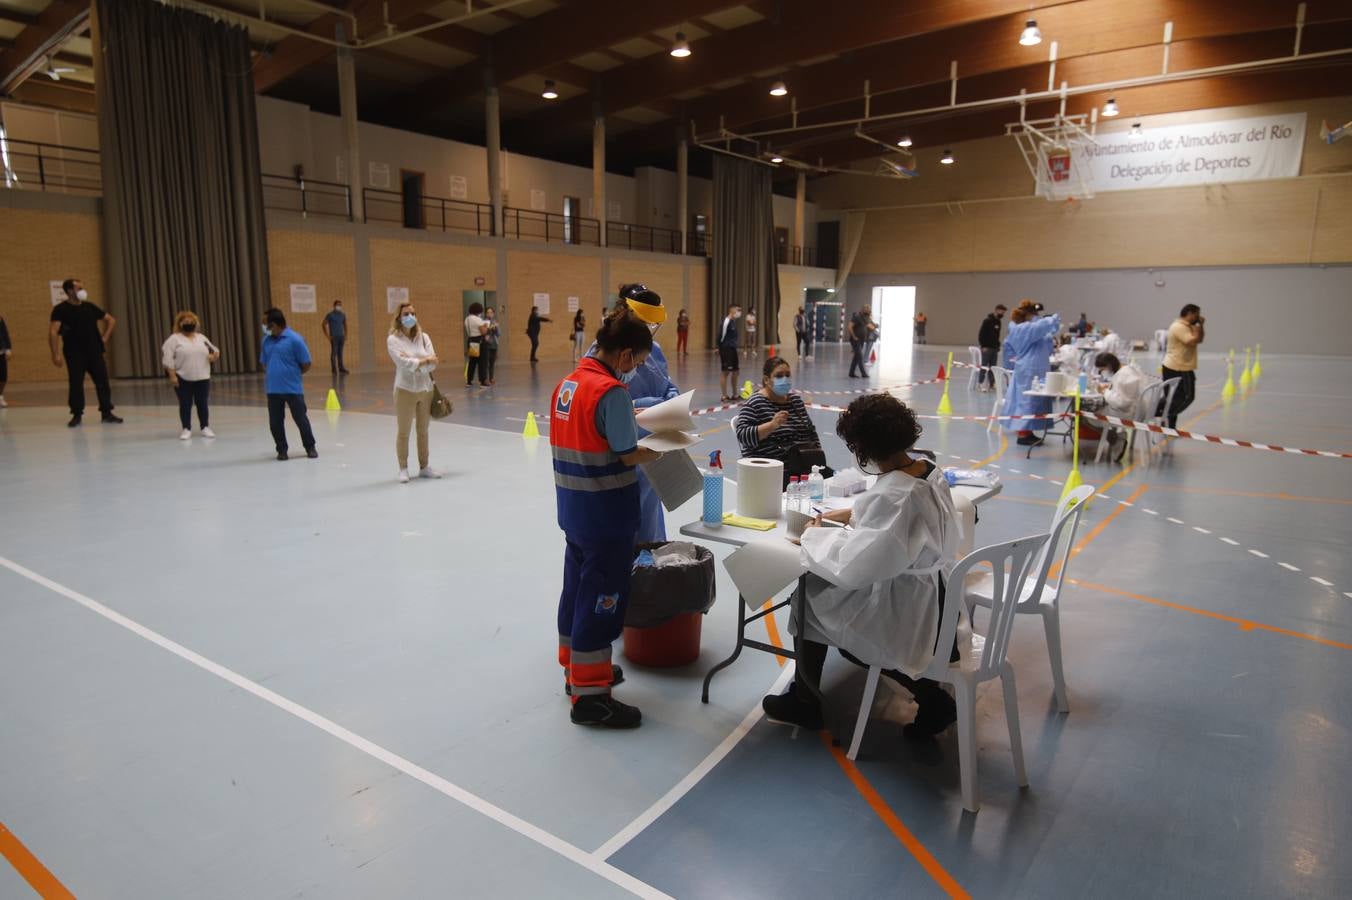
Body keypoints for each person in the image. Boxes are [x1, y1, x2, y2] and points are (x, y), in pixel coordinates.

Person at [762, 393, 961, 737]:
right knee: (825, 601)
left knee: (809, 599)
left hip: (909, 606)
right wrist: (853, 513)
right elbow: (904, 525)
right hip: (939, 595)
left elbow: (855, 566)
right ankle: (930, 698)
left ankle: (805, 701)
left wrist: (812, 535)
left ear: (863, 448)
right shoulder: (928, 471)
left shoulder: (893, 494)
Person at [551, 312, 662, 728]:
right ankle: (592, 699)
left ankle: (575, 671)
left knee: (576, 590)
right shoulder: (610, 391)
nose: (633, 371)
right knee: (602, 601)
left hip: (574, 511)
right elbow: (626, 452)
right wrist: (658, 451)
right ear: (626, 353)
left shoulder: (568, 384)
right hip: (606, 513)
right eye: (635, 363)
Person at [585, 284, 679, 543]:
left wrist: (671, 397)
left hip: (651, 452)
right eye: (645, 323)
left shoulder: (653, 350)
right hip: (622, 455)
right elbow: (602, 401)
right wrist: (649, 404)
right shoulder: (603, 351)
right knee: (623, 532)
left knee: (649, 524)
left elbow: (665, 382)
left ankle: (647, 573)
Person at [734, 356, 830, 489]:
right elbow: (743, 436)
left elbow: (811, 432)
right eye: (779, 376)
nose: (784, 379)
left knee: (834, 480)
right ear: (767, 380)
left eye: (787, 375)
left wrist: (817, 457)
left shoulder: (795, 401)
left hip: (803, 464)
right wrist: (771, 425)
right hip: (774, 470)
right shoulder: (755, 403)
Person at [49, 278, 122, 427]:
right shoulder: (61, 309)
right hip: (74, 354)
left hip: (95, 352)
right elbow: (53, 331)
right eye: (79, 288)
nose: (82, 290)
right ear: (69, 291)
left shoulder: (90, 307)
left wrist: (105, 337)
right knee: (76, 384)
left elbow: (111, 320)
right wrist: (55, 354)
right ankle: (76, 415)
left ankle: (106, 413)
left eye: (82, 287)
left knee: (102, 382)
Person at [387, 301, 442, 483]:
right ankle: (403, 468)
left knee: (423, 430)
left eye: (413, 313)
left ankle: (424, 466)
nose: (410, 317)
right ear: (399, 317)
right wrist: (424, 361)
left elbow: (434, 362)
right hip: (405, 390)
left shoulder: (424, 337)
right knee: (404, 431)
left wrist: (418, 363)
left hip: (425, 389)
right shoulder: (393, 340)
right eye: (406, 314)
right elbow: (403, 364)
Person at [259, 308, 317, 460]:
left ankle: (310, 446)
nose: (263, 327)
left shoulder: (295, 340)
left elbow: (306, 363)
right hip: (273, 390)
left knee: (301, 419)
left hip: (293, 389)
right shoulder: (266, 341)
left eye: (266, 324)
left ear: (275, 325)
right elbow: (264, 362)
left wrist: (292, 375)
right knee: (275, 423)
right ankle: (282, 449)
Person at [1002, 300, 1061, 446]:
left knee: (1032, 402)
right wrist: (1051, 319)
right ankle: (1023, 434)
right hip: (1029, 369)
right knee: (1027, 401)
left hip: (1033, 368)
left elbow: (1045, 333)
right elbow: (1040, 327)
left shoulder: (1026, 328)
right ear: (1028, 314)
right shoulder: (1022, 329)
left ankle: (1027, 430)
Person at [161, 311, 219, 440]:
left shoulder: (201, 338)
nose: (189, 324)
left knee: (202, 403)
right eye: (185, 322)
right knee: (185, 404)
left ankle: (205, 427)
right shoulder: (174, 339)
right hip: (183, 377)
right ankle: (186, 428)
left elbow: (214, 350)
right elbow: (168, 358)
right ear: (180, 324)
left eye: (191, 322)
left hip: (203, 377)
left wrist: (213, 356)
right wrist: (172, 375)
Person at [1160, 304, 1204, 428]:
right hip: (1178, 367)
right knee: (1187, 397)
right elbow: (1191, 340)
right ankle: (1165, 416)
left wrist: (1200, 326)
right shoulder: (1178, 327)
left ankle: (1169, 425)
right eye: (1196, 314)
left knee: (1173, 399)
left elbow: (1199, 339)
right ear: (1189, 313)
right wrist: (1198, 327)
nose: (1198, 317)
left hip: (1180, 366)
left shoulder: (1189, 326)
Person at [976, 304, 1005, 391]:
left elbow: (996, 336)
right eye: (1001, 311)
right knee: (984, 367)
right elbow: (981, 335)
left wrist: (997, 345)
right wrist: (983, 346)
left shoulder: (998, 322)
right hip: (986, 348)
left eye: (1003, 312)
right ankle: (980, 383)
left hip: (994, 349)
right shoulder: (987, 321)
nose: (1002, 314)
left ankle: (991, 384)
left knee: (993, 368)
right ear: (996, 310)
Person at [717, 304, 741, 402]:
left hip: (733, 349)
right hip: (726, 349)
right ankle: (724, 395)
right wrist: (719, 348)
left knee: (736, 371)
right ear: (732, 310)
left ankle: (735, 395)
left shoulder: (733, 322)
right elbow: (721, 336)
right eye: (738, 310)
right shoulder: (726, 322)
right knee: (725, 372)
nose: (739, 312)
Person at [464, 302, 489, 387]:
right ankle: (483, 381)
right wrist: (486, 326)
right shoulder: (478, 319)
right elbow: (484, 332)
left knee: (473, 361)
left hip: (471, 340)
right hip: (480, 341)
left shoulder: (467, 319)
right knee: (482, 361)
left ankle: (469, 381)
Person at [848, 304, 876, 378]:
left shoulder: (866, 318)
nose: (867, 310)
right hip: (855, 340)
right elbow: (849, 326)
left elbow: (872, 327)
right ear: (863, 309)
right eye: (865, 308)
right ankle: (864, 373)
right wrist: (854, 336)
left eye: (868, 309)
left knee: (856, 357)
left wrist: (873, 326)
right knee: (860, 356)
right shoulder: (857, 317)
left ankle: (851, 373)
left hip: (862, 340)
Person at [323, 300, 349, 374]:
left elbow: (345, 324)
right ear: (334, 306)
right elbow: (323, 324)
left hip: (341, 336)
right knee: (334, 353)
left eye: (340, 305)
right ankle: (334, 369)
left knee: (340, 353)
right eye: (337, 305)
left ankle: (341, 368)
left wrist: (346, 334)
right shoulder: (330, 315)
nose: (339, 306)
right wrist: (327, 335)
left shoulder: (342, 315)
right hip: (334, 337)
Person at [483, 306, 501, 385]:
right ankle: (485, 379)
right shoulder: (483, 322)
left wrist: (495, 328)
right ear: (486, 314)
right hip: (486, 344)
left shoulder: (495, 322)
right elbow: (483, 333)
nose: (489, 314)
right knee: (486, 363)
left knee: (492, 363)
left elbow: (498, 334)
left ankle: (491, 377)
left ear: (493, 314)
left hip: (494, 345)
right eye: (488, 312)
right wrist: (490, 328)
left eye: (491, 312)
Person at [0, 313, 10, 407]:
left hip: (1, 352)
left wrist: (8, 348)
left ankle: (0, 396)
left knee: (3, 377)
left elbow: (5, 333)